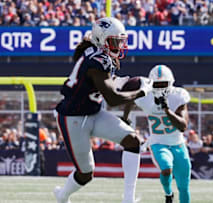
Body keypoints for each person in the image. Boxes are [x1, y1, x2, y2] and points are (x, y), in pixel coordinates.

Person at [54, 17, 153, 203]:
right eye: (115, 41)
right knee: (86, 173)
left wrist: (126, 82)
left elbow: (108, 85)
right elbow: (113, 98)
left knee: (133, 141)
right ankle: (63, 195)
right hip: (73, 118)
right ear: (101, 39)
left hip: (93, 112)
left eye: (121, 41)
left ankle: (128, 199)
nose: (120, 46)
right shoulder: (97, 61)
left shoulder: (99, 54)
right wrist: (141, 91)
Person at [123, 65, 191, 203]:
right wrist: (125, 118)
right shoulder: (145, 96)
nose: (160, 88)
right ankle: (168, 194)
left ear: (170, 83)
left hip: (178, 144)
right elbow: (130, 100)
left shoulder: (177, 96)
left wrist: (167, 110)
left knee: (184, 187)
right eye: (157, 84)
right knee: (166, 168)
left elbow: (183, 126)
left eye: (163, 84)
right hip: (158, 143)